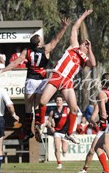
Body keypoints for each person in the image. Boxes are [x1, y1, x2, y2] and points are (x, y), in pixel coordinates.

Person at [0, 17, 71, 142]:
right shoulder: (45, 50)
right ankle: (38, 125)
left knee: (28, 107)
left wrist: (2, 70)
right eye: (41, 40)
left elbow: (15, 63)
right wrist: (63, 27)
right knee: (38, 105)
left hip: (30, 80)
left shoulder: (27, 51)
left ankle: (28, 131)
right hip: (42, 81)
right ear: (38, 43)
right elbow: (56, 39)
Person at [38, 10, 96, 144]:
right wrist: (83, 16)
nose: (84, 44)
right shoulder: (74, 47)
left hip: (67, 81)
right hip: (58, 75)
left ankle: (69, 133)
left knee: (74, 109)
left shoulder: (85, 58)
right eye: (84, 43)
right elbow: (75, 28)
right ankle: (41, 123)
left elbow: (93, 64)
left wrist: (90, 48)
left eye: (86, 45)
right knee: (42, 101)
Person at [45, 95, 70, 169]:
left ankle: (65, 151)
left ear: (63, 102)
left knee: (64, 150)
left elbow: (72, 118)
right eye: (57, 100)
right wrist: (51, 127)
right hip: (57, 131)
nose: (58, 102)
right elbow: (48, 122)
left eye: (60, 100)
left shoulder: (67, 110)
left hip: (65, 132)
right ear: (55, 102)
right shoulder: (53, 111)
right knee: (57, 148)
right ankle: (59, 164)